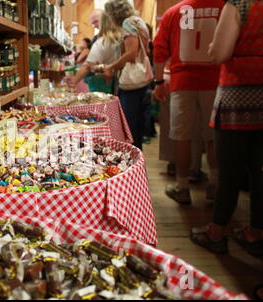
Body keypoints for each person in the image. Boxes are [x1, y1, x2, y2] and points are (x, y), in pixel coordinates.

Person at [191, 0, 263, 256]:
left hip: (239, 95)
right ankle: (255, 233)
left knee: (229, 169)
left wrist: (212, 47)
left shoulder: (240, 3)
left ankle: (216, 231)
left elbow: (219, 53)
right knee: (260, 170)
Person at [153, 0, 224, 204]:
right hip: (215, 80)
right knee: (212, 137)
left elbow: (159, 49)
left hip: (182, 82)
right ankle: (214, 185)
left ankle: (182, 187)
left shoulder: (173, 12)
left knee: (182, 137)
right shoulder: (224, 8)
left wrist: (159, 82)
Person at [102, 0, 152, 150]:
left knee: (130, 126)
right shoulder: (139, 21)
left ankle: (133, 161)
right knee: (136, 125)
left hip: (131, 83)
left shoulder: (128, 23)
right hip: (142, 79)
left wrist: (111, 66)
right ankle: (137, 158)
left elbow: (131, 53)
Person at [70, 13, 121, 94]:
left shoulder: (102, 42)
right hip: (121, 82)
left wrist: (72, 84)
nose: (94, 25)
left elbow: (87, 66)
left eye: (96, 22)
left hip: (106, 84)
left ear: (102, 23)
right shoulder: (121, 39)